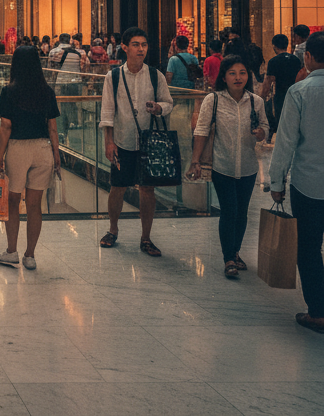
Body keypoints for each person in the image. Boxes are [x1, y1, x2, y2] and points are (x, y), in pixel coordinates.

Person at [98, 27, 174, 257]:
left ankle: (146, 238)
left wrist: (159, 108)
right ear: (125, 47)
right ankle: (112, 230)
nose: (141, 49)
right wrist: (108, 142)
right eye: (135, 45)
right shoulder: (113, 76)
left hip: (149, 142)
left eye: (144, 45)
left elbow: (168, 102)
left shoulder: (155, 75)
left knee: (147, 189)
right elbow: (108, 112)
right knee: (118, 187)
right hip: (122, 140)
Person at [189, 56, 267, 278]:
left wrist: (262, 133)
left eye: (242, 72)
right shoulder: (213, 100)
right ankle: (228, 258)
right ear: (224, 77)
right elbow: (201, 131)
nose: (238, 77)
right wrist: (195, 161)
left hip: (249, 168)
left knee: (242, 213)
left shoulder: (255, 101)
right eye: (232, 73)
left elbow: (265, 126)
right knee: (230, 210)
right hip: (222, 165)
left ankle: (236, 252)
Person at [270, 31, 324, 332]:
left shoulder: (299, 92)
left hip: (308, 185)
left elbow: (286, 142)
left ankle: (318, 310)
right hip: (310, 183)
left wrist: (276, 182)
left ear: (309, 57)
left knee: (309, 247)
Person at [0, 45, 61, 269]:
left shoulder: (9, 91)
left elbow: (5, 126)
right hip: (43, 149)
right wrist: (56, 154)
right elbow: (52, 127)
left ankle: (11, 251)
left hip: (18, 149)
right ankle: (30, 256)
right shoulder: (47, 91)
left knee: (13, 202)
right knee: (35, 205)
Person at [262, 34, 302, 134]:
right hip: (295, 95)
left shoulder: (273, 61)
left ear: (274, 46)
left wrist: (262, 97)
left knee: (281, 121)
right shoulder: (296, 60)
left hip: (280, 96)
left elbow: (268, 81)